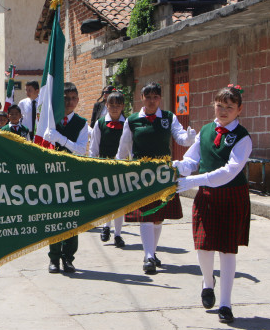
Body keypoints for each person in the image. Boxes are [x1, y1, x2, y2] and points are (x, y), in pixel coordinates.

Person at [173, 85, 252, 324]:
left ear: (239, 110)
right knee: (203, 245)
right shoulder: (206, 131)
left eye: (230, 107)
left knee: (227, 249)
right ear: (213, 106)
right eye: (219, 106)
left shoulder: (243, 137)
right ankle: (208, 283)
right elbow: (192, 158)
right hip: (207, 196)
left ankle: (226, 304)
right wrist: (179, 167)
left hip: (232, 195)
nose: (224, 111)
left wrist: (193, 181)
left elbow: (230, 171)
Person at [116, 82, 197, 272]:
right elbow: (124, 148)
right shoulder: (133, 120)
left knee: (159, 217)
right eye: (148, 97)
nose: (152, 101)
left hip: (163, 173)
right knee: (146, 215)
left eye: (155, 97)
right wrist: (118, 166)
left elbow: (180, 137)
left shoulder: (168, 117)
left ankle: (152, 251)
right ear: (141, 98)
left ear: (160, 98)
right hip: (142, 173)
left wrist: (189, 138)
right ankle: (148, 257)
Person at [42, 82, 89, 274]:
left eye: (73, 98)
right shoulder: (50, 120)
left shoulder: (82, 123)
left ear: (77, 100)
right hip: (52, 175)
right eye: (65, 98)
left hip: (72, 175)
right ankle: (54, 258)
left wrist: (61, 139)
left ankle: (68, 258)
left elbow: (80, 150)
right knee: (54, 217)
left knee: (71, 218)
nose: (69, 102)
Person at [88, 91, 128, 247]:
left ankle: (118, 234)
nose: (115, 108)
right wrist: (93, 165)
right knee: (107, 199)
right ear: (106, 105)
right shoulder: (100, 123)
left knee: (120, 202)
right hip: (105, 166)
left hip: (122, 166)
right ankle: (106, 226)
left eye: (118, 105)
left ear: (123, 106)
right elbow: (94, 147)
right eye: (112, 105)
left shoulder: (127, 123)